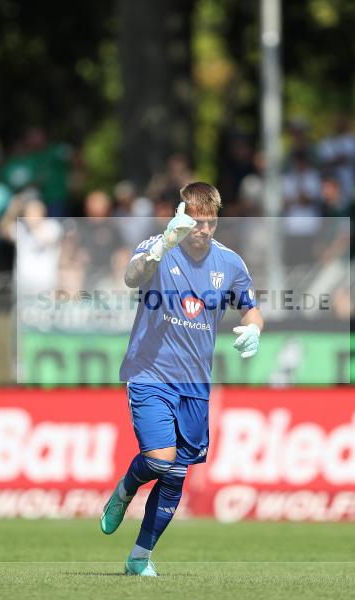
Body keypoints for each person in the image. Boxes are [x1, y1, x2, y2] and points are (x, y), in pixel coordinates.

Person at [101, 182, 263, 577]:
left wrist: (254, 329)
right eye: (196, 222)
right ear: (181, 216)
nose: (203, 230)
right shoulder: (159, 246)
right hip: (149, 373)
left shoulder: (230, 263)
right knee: (160, 461)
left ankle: (139, 557)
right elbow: (132, 277)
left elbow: (250, 308)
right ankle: (125, 488)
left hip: (195, 383)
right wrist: (161, 247)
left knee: (175, 475)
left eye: (211, 223)